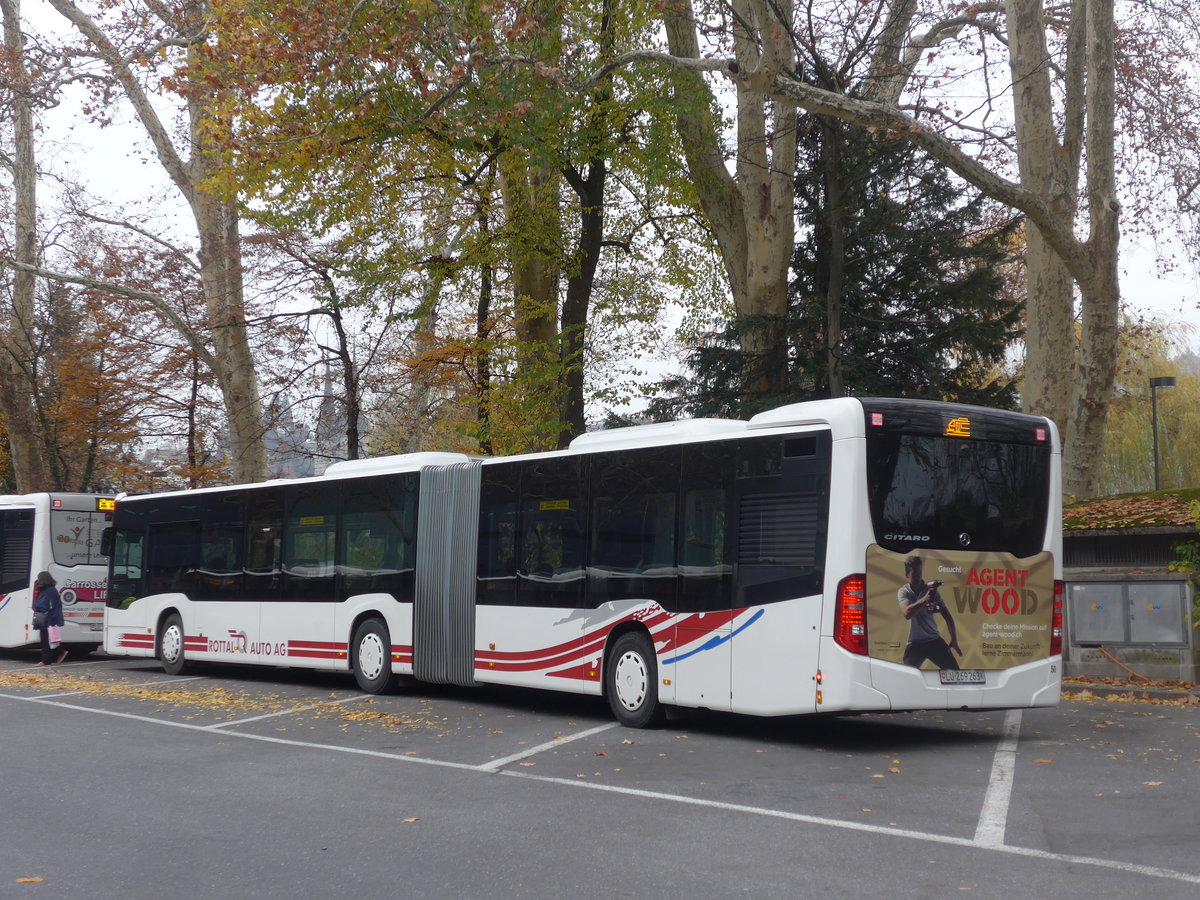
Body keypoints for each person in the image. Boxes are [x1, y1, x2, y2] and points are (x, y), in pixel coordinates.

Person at [897, 555, 961, 670]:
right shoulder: (904, 592)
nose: (918, 578)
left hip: (934, 640)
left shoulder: (932, 591)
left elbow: (948, 617)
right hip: (915, 643)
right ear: (907, 575)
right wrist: (924, 600)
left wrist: (954, 640)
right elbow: (907, 614)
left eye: (920, 574)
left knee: (955, 673)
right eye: (914, 575)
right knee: (907, 676)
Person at [32, 571, 67, 667]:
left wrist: (52, 619)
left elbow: (52, 605)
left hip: (47, 617)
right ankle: (54, 655)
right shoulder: (45, 589)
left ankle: (47, 659)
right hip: (44, 616)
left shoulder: (50, 590)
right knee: (48, 639)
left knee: (46, 639)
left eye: (39, 579)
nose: (38, 581)